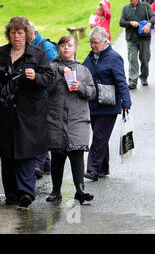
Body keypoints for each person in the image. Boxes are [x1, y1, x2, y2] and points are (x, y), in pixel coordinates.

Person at [0, 16, 55, 208]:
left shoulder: (37, 54)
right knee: (7, 154)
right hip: (5, 111)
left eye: (20, 32)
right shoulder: (2, 53)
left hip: (29, 111)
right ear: (9, 34)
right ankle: (11, 195)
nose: (16, 36)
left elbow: (49, 77)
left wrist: (36, 77)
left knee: (26, 151)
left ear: (26, 34)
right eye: (13, 32)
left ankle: (26, 193)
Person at [45, 35, 96, 204]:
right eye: (62, 45)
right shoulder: (51, 67)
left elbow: (92, 92)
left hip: (78, 119)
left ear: (75, 49)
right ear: (59, 48)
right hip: (55, 118)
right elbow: (46, 87)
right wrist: (61, 73)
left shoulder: (83, 70)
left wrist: (79, 87)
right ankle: (55, 191)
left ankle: (80, 190)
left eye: (69, 45)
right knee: (57, 156)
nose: (66, 48)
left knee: (76, 155)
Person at [83, 27, 132, 182]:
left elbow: (121, 82)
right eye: (91, 42)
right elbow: (84, 72)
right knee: (101, 137)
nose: (92, 45)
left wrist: (126, 101)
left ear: (105, 41)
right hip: (93, 104)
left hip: (109, 105)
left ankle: (92, 169)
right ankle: (103, 168)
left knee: (98, 137)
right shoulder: (91, 57)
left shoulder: (114, 57)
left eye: (95, 42)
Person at [29, 22, 58, 179]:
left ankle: (39, 164)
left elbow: (55, 71)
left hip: (47, 96)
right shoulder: (31, 45)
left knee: (41, 128)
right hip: (37, 95)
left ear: (32, 33)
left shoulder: (45, 46)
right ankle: (46, 163)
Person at [119, 0, 155, 89]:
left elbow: (154, 17)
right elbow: (121, 22)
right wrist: (130, 23)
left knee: (144, 58)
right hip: (131, 38)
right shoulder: (125, 8)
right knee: (132, 59)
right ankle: (133, 81)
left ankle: (144, 77)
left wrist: (149, 24)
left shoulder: (145, 6)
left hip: (144, 38)